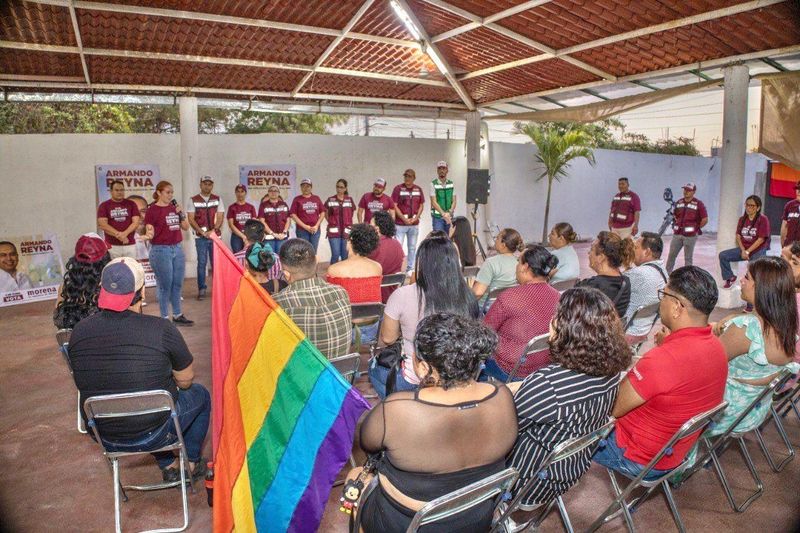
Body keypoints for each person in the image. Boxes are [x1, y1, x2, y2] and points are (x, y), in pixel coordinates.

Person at [352, 313, 517, 533]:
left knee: (354, 476)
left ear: (422, 367)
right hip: (476, 518)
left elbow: (368, 444)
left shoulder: (396, 409)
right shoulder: (502, 395)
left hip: (405, 523)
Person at [68, 257, 210, 482]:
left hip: (104, 434)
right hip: (154, 429)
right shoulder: (162, 328)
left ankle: (168, 464)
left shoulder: (78, 331)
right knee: (199, 395)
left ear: (102, 291)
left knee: (144, 397)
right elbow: (185, 381)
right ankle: (190, 463)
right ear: (142, 292)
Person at [592, 266, 728, 479]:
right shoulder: (717, 346)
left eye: (663, 294)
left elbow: (612, 408)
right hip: (673, 454)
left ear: (676, 307)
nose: (660, 301)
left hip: (635, 456)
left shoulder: (662, 360)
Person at [509, 287, 631, 508]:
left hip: (525, 480)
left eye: (557, 316)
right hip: (568, 471)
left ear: (567, 329)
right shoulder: (612, 373)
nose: (552, 320)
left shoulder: (548, 384)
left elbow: (507, 430)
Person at [370, 233, 479, 398]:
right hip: (457, 376)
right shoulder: (467, 296)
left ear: (422, 264)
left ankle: (398, 410)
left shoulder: (402, 295)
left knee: (374, 368)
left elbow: (388, 338)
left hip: (414, 378)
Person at [706, 257, 799, 437]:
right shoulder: (785, 329)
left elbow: (705, 364)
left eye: (747, 277)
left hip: (720, 413)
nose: (741, 280)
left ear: (761, 288)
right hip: (751, 412)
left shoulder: (747, 329)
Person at [483, 245, 560, 381]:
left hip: (511, 369)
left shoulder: (509, 297)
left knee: (479, 366)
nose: (516, 266)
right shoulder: (558, 296)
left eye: (518, 261)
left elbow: (484, 331)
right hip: (545, 366)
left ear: (525, 267)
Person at [274, 238, 351, 360]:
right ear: (317, 261)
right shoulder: (341, 292)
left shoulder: (278, 303)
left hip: (305, 378)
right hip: (341, 375)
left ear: (286, 274)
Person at [143, 180, 193, 326]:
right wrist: (146, 236)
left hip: (177, 248)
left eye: (172, 192)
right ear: (159, 192)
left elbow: (185, 227)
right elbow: (149, 231)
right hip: (161, 250)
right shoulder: (152, 210)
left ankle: (177, 314)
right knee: (165, 285)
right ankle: (164, 318)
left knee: (177, 284)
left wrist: (181, 213)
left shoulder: (174, 208)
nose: (170, 195)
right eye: (167, 192)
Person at [53, 233, 111, 330]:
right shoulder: (110, 286)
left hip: (75, 341)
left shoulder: (65, 288)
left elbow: (58, 320)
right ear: (105, 260)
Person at [576, 231, 634, 317]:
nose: (588, 253)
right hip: (613, 329)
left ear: (601, 258)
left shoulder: (592, 286)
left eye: (591, 249)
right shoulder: (625, 282)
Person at [719, 195, 771, 288]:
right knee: (723, 255)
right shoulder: (742, 219)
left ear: (758, 207)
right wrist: (743, 250)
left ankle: (752, 300)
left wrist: (748, 251)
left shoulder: (763, 219)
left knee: (752, 273)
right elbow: (738, 236)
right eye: (747, 205)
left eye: (752, 205)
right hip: (745, 249)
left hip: (758, 250)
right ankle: (730, 277)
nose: (748, 207)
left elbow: (761, 239)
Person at [622, 232, 668, 338]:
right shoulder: (664, 274)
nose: (632, 251)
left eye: (636, 248)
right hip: (643, 331)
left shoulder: (638, 274)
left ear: (647, 252)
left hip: (625, 332)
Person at [186, 175, 223, 301]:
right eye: (205, 183)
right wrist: (200, 231)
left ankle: (217, 289)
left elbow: (220, 216)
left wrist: (213, 231)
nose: (207, 186)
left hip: (215, 237)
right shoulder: (193, 200)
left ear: (212, 185)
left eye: (210, 184)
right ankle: (202, 289)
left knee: (216, 264)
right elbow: (191, 218)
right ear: (200, 184)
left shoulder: (218, 199)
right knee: (202, 263)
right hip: (200, 237)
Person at [325, 223, 382, 304]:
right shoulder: (377, 267)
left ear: (350, 241)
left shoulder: (333, 269)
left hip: (345, 315)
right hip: (371, 315)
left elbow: (331, 300)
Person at [666, 182, 708, 272]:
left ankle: (687, 277)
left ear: (694, 192)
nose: (686, 192)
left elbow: (705, 219)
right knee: (671, 255)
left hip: (690, 236)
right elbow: (675, 215)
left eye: (689, 190)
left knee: (688, 258)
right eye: (685, 189)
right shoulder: (679, 202)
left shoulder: (698, 204)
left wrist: (696, 228)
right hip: (677, 234)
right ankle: (666, 275)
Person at [472, 228, 523, 301]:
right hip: (510, 304)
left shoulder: (491, 263)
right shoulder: (519, 263)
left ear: (503, 245)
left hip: (489, 307)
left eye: (497, 238)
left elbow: (477, 293)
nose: (495, 240)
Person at [96, 180, 141, 259]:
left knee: (130, 269)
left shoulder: (131, 204)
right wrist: (119, 235)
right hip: (112, 246)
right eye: (117, 190)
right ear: (111, 191)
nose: (120, 192)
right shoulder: (104, 205)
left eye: (122, 190)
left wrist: (124, 234)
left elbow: (136, 222)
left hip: (130, 245)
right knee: (113, 270)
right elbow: (103, 225)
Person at [369, 210, 406, 303]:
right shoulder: (397, 244)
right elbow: (403, 268)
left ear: (377, 229)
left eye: (370, 225)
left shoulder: (371, 247)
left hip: (374, 297)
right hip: (393, 297)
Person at [391, 169, 425, 271]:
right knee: (398, 248)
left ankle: (410, 269)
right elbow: (394, 206)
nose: (407, 178)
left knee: (412, 248)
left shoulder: (418, 189)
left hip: (414, 225)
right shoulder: (398, 189)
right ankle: (397, 269)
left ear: (414, 178)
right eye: (405, 176)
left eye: (409, 176)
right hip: (400, 224)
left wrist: (416, 217)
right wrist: (403, 219)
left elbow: (421, 205)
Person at [324, 178, 355, 264]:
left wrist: (347, 222)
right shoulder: (330, 199)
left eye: (341, 187)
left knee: (345, 255)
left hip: (346, 232)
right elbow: (325, 213)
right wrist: (331, 221)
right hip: (334, 232)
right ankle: (332, 275)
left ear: (345, 188)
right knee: (335, 254)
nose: (339, 189)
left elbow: (351, 214)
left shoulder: (350, 200)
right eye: (337, 187)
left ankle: (343, 275)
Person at [289, 178, 325, 253]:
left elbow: (322, 212)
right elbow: (293, 215)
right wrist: (305, 227)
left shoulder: (316, 198)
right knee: (303, 252)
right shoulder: (297, 199)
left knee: (313, 251)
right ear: (301, 188)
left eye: (308, 186)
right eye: (303, 186)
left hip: (315, 230)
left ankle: (313, 265)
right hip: (302, 230)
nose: (305, 188)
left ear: (311, 187)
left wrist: (317, 226)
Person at [258, 185, 291, 253]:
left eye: (275, 191)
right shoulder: (263, 205)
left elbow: (288, 219)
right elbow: (262, 221)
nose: (273, 192)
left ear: (279, 193)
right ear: (268, 193)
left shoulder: (284, 204)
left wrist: (284, 232)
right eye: (271, 191)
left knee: (281, 257)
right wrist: (272, 233)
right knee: (269, 258)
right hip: (269, 238)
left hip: (282, 237)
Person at [226, 184, 257, 253]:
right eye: (238, 191)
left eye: (242, 191)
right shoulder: (231, 207)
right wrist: (243, 236)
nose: (240, 194)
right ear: (235, 193)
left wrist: (248, 236)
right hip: (236, 237)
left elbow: (254, 224)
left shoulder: (251, 207)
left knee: (249, 258)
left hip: (249, 237)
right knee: (237, 258)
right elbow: (231, 225)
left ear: (245, 193)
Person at [430, 161, 457, 234]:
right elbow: (433, 202)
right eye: (440, 168)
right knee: (438, 240)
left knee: (449, 239)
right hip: (438, 218)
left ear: (447, 170)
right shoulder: (433, 184)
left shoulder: (451, 184)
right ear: (437, 170)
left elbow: (454, 200)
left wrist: (450, 212)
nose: (442, 170)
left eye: (444, 168)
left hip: (449, 217)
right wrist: (443, 214)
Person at [780, 182, 800, 248]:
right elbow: (784, 226)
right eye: (797, 189)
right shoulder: (790, 205)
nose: (798, 191)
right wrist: (783, 245)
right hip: (788, 246)